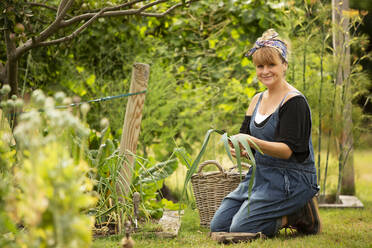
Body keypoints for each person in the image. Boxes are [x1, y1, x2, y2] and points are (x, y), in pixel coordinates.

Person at [210, 29, 321, 237]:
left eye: (272, 65)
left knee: (240, 229)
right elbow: (245, 141)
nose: (265, 71)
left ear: (284, 65)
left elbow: (287, 151)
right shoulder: (256, 100)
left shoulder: (293, 102)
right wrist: (240, 149)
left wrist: (252, 141)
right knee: (219, 226)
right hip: (261, 175)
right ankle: (285, 211)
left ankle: (299, 214)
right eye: (260, 66)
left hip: (292, 179)